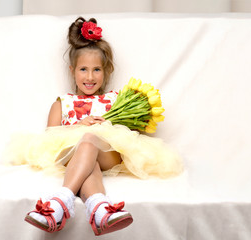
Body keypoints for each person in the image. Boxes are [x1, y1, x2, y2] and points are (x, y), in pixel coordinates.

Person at [19, 17, 182, 236]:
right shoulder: (62, 103)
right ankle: (99, 208)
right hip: (73, 154)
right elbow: (49, 139)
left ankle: (61, 201)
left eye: (97, 70)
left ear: (106, 71)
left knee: (90, 140)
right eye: (83, 69)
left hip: (108, 154)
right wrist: (78, 125)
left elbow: (130, 135)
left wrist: (110, 124)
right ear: (72, 70)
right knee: (87, 151)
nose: (89, 76)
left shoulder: (114, 100)